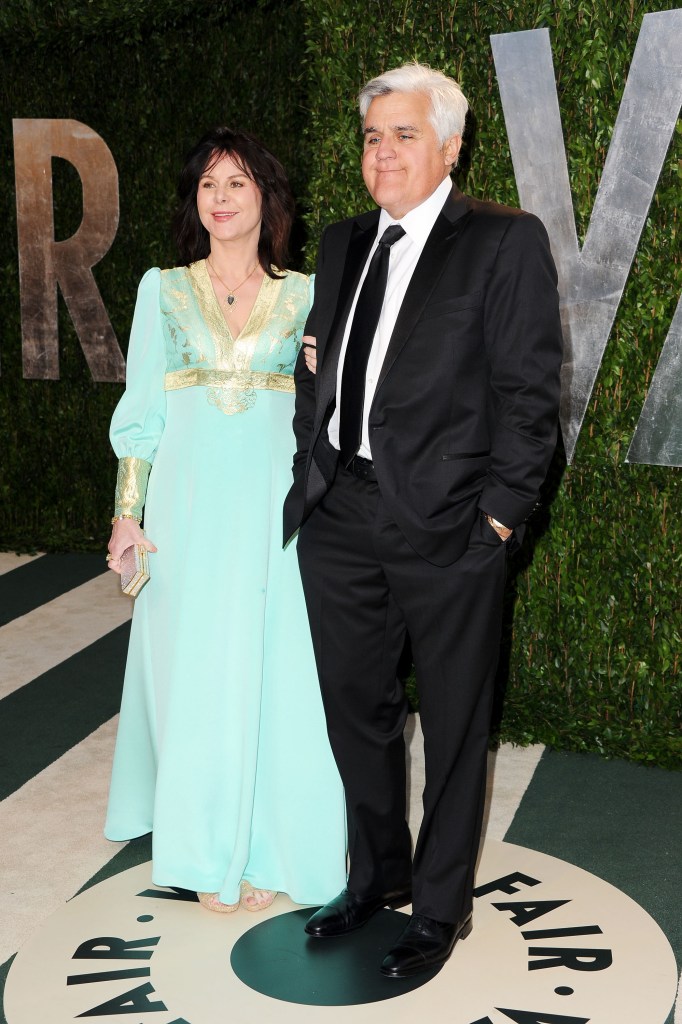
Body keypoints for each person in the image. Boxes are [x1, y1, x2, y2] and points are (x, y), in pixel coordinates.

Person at [284, 64, 563, 976]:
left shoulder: (502, 241)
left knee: (453, 724)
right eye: (372, 137)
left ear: (450, 146)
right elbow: (318, 369)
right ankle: (378, 876)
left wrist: (497, 521)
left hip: (451, 529)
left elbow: (529, 398)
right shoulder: (339, 242)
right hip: (341, 515)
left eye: (405, 135)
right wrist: (310, 464)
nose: (384, 152)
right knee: (355, 712)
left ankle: (440, 910)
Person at [105, 127, 346, 914]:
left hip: (278, 510)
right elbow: (141, 412)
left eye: (238, 183)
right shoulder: (160, 289)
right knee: (197, 672)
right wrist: (126, 515)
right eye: (209, 184)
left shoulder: (308, 293)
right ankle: (210, 849)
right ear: (194, 200)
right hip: (188, 506)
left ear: (266, 197)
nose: (222, 198)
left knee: (285, 672)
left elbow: (332, 411)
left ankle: (278, 846)